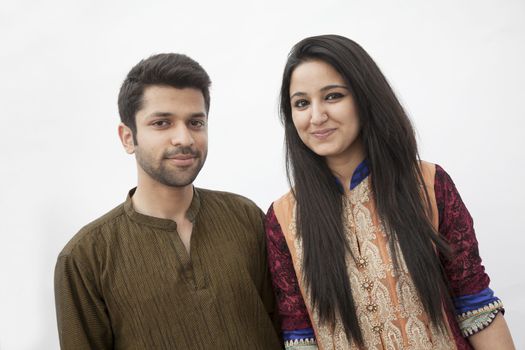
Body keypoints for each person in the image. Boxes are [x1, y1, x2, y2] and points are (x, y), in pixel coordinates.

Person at [265, 35, 515, 349]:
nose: (316, 116)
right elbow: (300, 337)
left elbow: (475, 304)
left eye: (332, 96)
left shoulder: (428, 184)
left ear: (365, 97)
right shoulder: (284, 218)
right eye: (301, 103)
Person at [54, 53, 281, 349]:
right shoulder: (85, 258)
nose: (184, 138)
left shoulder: (245, 218)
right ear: (127, 137)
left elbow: (284, 329)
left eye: (196, 122)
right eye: (162, 123)